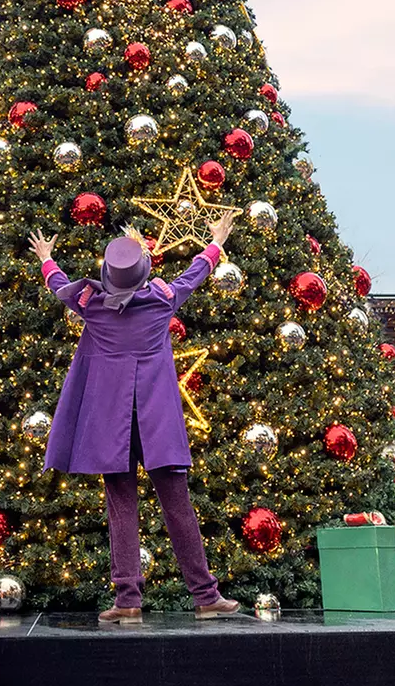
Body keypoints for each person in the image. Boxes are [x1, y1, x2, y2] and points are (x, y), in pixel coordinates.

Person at [30, 215, 243, 622]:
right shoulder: (163, 299)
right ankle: (205, 596)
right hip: (156, 421)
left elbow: (58, 286)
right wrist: (216, 242)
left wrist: (46, 257)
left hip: (111, 424)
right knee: (177, 505)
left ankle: (128, 600)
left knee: (121, 507)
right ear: (143, 272)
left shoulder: (91, 305)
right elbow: (195, 273)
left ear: (108, 276)